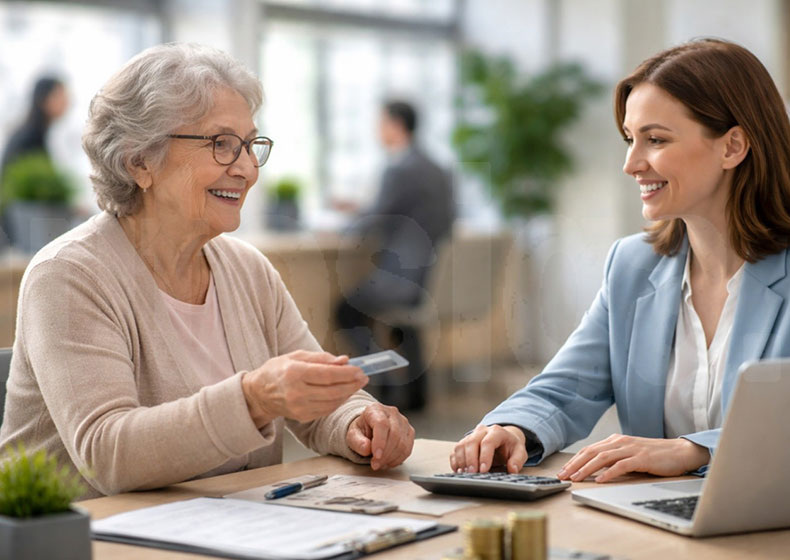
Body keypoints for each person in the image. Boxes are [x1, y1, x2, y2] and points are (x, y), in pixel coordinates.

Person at [450, 38, 790, 482]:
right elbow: (563, 390)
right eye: (630, 140)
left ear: (732, 147)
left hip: (777, 524)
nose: (631, 164)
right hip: (655, 524)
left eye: (655, 139)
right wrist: (511, 428)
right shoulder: (633, 265)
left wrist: (694, 449)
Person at [0, 43, 414, 500]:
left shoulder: (247, 270)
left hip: (223, 535)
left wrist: (358, 421)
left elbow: (317, 399)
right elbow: (107, 453)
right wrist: (255, 399)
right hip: (85, 550)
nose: (247, 169)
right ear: (139, 161)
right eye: (221, 144)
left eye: (250, 144)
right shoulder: (69, 276)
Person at [334, 100, 455, 411]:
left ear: (396, 125)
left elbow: (378, 217)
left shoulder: (399, 168)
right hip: (427, 277)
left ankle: (382, 381)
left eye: (381, 123)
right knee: (403, 322)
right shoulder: (440, 170)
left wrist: (342, 229)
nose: (377, 131)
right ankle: (415, 394)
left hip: (402, 277)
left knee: (347, 311)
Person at [0, 77, 69, 242]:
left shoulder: (37, 134)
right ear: (44, 99)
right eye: (61, 96)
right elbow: (20, 189)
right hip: (19, 228)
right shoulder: (29, 138)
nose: (66, 102)